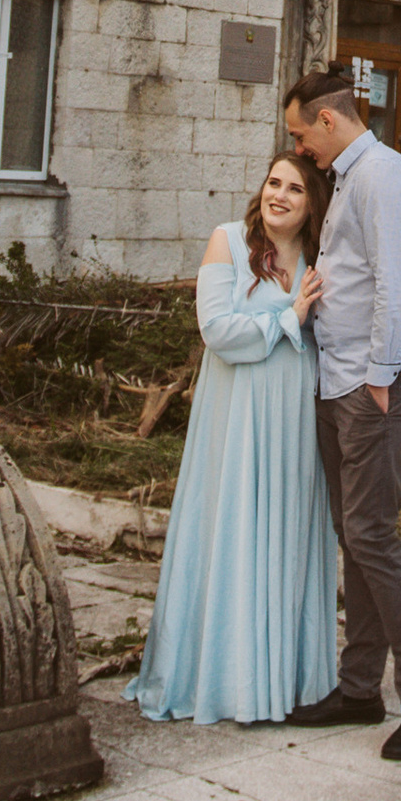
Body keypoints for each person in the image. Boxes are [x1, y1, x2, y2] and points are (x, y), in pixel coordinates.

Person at [129, 151, 339, 726]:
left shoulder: (319, 258)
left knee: (287, 533)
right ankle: (226, 677)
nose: (280, 195)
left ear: (311, 204)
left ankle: (286, 677)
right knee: (233, 526)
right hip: (237, 414)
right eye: (274, 182)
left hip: (294, 417)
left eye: (295, 189)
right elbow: (217, 331)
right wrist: (289, 319)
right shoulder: (226, 241)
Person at [280, 66, 401, 760]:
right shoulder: (348, 176)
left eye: (299, 135)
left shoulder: (380, 174)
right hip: (341, 377)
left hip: (374, 386)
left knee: (373, 536)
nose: (298, 150)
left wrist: (380, 377)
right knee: (357, 537)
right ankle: (357, 690)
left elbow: (396, 281)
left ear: (327, 119)